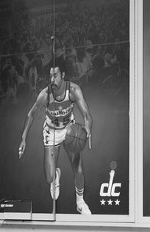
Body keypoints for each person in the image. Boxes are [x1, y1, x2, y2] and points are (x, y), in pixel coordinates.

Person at [18, 56, 94, 214]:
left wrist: (87, 129)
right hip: (51, 132)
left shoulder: (73, 90)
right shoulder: (45, 95)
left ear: (63, 75)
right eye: (50, 76)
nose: (52, 79)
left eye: (55, 75)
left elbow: (87, 115)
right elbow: (31, 114)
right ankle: (56, 175)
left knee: (78, 169)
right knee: (49, 178)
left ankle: (80, 202)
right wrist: (23, 138)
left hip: (69, 130)